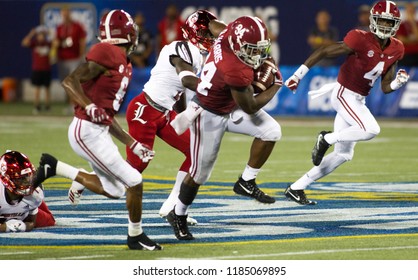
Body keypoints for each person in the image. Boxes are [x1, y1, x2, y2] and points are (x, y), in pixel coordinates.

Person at [33, 10, 161, 251]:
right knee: (134, 180)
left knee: (115, 189)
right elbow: (70, 81)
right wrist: (89, 105)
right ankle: (135, 236)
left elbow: (107, 117)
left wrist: (132, 142)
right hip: (86, 131)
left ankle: (55, 167)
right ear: (126, 33)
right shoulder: (108, 52)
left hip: (96, 131)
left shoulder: (123, 62)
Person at [166, 16, 283, 240]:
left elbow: (209, 23)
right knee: (200, 174)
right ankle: (178, 213)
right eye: (251, 49)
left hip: (229, 103)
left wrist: (202, 22)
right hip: (209, 112)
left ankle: (246, 181)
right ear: (238, 44)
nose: (257, 54)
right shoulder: (234, 68)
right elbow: (250, 106)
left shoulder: (228, 32)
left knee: (271, 131)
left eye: (260, 48)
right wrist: (276, 84)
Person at [284, 1, 409, 205]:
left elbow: (385, 87)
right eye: (382, 21)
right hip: (344, 93)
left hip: (359, 98)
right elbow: (324, 51)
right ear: (373, 20)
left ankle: (297, 187)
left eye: (389, 22)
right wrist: (298, 75)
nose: (385, 26)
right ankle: (326, 138)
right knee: (371, 129)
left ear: (395, 24)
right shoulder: (359, 39)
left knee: (343, 154)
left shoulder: (397, 48)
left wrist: (397, 83)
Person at [126, 10, 218, 225]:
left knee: (197, 152)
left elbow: (179, 92)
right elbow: (186, 80)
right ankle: (85, 177)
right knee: (135, 168)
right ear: (195, 32)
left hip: (164, 113)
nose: (211, 38)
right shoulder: (180, 47)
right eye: (206, 33)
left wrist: (182, 116)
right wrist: (216, 90)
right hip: (145, 110)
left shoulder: (197, 53)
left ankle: (173, 206)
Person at [0, 151, 55, 232]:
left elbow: (31, 223)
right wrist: (7, 227)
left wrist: (22, 226)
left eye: (28, 176)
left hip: (24, 212)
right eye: (20, 178)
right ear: (6, 179)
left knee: (50, 221)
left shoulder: (35, 193)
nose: (27, 181)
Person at [53, 5, 87, 114]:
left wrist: (81, 56)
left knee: (73, 83)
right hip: (63, 58)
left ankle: (75, 105)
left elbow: (82, 41)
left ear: (69, 13)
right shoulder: (59, 27)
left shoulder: (77, 26)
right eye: (63, 13)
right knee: (66, 84)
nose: (65, 15)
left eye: (66, 13)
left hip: (74, 58)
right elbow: (55, 42)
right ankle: (71, 104)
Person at [21, 25, 52, 114]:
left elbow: (56, 42)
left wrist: (49, 33)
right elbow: (24, 42)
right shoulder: (34, 43)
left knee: (47, 88)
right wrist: (31, 34)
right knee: (37, 88)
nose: (40, 36)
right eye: (39, 35)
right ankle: (37, 106)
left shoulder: (47, 43)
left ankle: (47, 106)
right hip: (37, 69)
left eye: (42, 35)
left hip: (46, 69)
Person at [396, 2, 418, 66]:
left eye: (412, 11)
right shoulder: (401, 25)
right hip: (406, 54)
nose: (410, 13)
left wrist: (413, 23)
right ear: (406, 12)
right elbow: (401, 40)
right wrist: (415, 40)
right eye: (409, 11)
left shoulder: (417, 24)